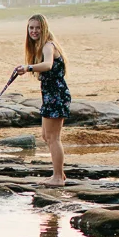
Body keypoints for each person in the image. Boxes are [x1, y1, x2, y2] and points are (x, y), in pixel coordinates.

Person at [15, 13, 69, 185]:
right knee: (46, 136)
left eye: (38, 28)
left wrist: (28, 67)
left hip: (56, 95)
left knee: (54, 138)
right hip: (50, 95)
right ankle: (60, 174)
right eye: (31, 28)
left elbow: (48, 65)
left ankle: (58, 178)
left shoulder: (48, 45)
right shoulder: (41, 46)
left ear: (44, 29)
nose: (34, 31)